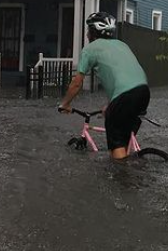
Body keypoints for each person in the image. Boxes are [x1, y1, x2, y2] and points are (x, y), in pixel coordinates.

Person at [59, 12, 149, 160]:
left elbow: (76, 83)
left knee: (116, 145)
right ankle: (129, 168)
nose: (87, 35)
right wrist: (110, 104)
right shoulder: (122, 45)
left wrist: (65, 103)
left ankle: (121, 175)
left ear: (94, 32)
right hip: (144, 91)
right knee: (122, 135)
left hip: (124, 96)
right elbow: (120, 77)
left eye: (89, 31)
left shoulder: (90, 49)